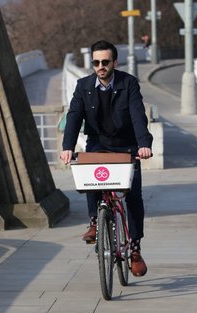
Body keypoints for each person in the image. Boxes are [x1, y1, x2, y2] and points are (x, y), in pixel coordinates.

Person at [60, 40, 152, 277]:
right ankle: (95, 221)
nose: (100, 66)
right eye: (96, 62)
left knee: (133, 195)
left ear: (114, 62)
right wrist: (67, 147)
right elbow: (73, 117)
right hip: (98, 142)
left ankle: (135, 249)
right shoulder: (83, 86)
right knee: (89, 175)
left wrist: (143, 144)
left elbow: (138, 115)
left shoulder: (128, 83)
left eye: (105, 62)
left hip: (127, 144)